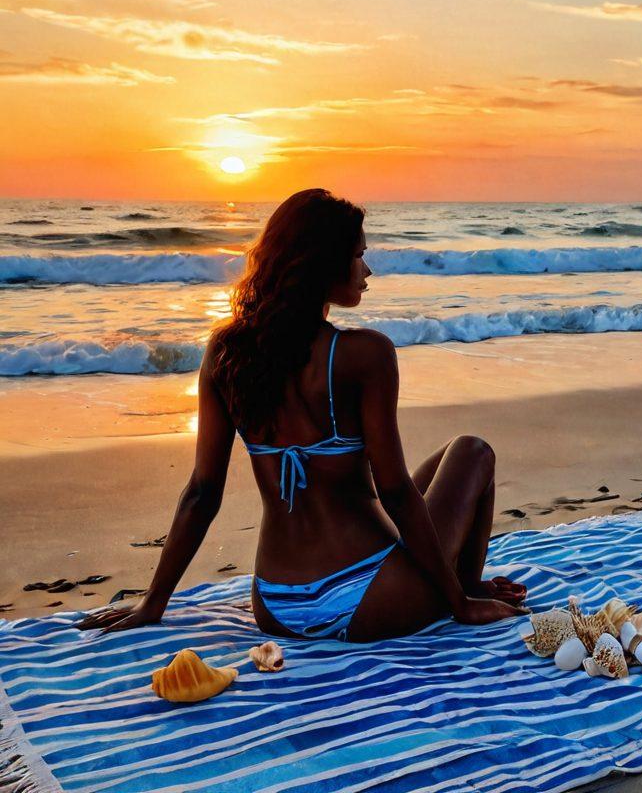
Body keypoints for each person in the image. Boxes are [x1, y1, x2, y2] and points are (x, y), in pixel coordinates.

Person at [76, 188, 528, 642]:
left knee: (438, 465)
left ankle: (459, 586)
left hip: (276, 605)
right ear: (324, 264)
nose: (367, 270)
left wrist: (154, 601)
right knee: (471, 451)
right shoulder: (364, 354)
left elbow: (201, 494)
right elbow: (393, 491)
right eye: (358, 255)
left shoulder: (226, 352)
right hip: (370, 598)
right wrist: (458, 603)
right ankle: (465, 587)